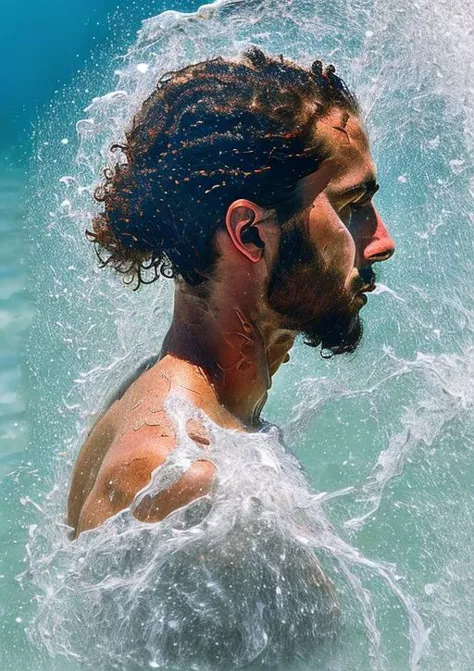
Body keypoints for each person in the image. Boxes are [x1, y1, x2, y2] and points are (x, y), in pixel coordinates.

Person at [67, 47, 395, 538]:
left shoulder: (185, 411)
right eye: (352, 206)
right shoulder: (181, 475)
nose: (383, 241)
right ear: (250, 234)